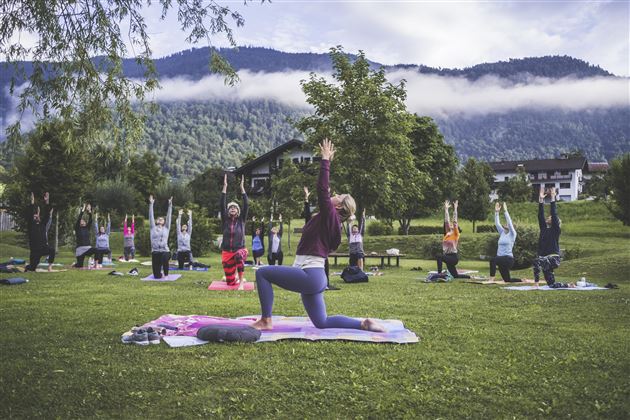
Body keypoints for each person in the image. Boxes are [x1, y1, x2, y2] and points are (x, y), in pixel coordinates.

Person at [252, 139, 383, 332]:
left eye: (338, 196)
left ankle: (266, 320)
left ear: (338, 206)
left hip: (310, 275)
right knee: (321, 322)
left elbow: (322, 189)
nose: (334, 194)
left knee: (262, 272)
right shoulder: (330, 222)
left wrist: (325, 160)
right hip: (315, 277)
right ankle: (363, 323)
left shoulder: (331, 217)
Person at [533, 186, 574, 288]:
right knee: (551, 285)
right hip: (544, 258)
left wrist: (552, 198)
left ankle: (536, 284)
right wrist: (541, 199)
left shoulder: (556, 229)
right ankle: (569, 285)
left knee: (537, 261)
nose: (548, 217)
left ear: (556, 222)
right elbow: (540, 216)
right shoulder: (543, 229)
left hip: (553, 258)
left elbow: (554, 213)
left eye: (550, 217)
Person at [304, 186, 337, 291]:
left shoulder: (323, 222)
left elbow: (326, 207)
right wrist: (306, 199)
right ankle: (320, 283)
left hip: (321, 246)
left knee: (325, 262)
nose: (315, 217)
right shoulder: (310, 223)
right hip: (311, 248)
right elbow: (307, 214)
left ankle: (326, 283)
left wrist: (327, 194)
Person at [220, 174, 249, 286]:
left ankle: (241, 281)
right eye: (231, 208)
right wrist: (225, 186)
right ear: (228, 211)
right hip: (227, 252)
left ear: (238, 211)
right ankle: (234, 278)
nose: (233, 209)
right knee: (230, 283)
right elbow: (222, 204)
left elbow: (246, 204)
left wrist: (242, 188)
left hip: (240, 250)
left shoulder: (241, 220)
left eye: (235, 208)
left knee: (238, 255)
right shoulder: (225, 220)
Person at [436, 200, 470, 279]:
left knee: (439, 256)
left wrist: (455, 209)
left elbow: (455, 221)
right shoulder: (447, 233)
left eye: (453, 225)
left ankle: (439, 274)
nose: (451, 225)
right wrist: (446, 210)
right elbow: (446, 221)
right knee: (455, 276)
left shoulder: (456, 234)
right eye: (450, 225)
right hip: (447, 257)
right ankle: (468, 277)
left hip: (453, 258)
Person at [488, 202, 522, 282]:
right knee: (507, 280)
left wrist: (505, 211)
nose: (506, 224)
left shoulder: (513, 234)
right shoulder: (502, 233)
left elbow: (509, 222)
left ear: (511, 227)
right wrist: (496, 212)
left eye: (508, 224)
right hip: (500, 259)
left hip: (508, 259)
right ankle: (521, 280)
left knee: (493, 260)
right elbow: (497, 224)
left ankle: (491, 279)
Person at [25, 192, 55, 272]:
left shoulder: (43, 224)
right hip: (35, 251)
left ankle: (50, 267)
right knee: (32, 268)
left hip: (43, 248)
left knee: (52, 250)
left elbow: (47, 215)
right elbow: (30, 215)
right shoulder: (31, 225)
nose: (36, 217)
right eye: (34, 216)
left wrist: (47, 201)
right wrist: (32, 202)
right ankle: (28, 266)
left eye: (37, 216)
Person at [149, 195, 173, 279]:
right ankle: (159, 274)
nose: (159, 220)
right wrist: (151, 204)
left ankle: (166, 274)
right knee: (156, 276)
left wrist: (170, 205)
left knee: (164, 257)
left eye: (161, 219)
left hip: (165, 251)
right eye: (158, 219)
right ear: (156, 221)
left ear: (164, 222)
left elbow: (169, 216)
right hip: (155, 252)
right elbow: (151, 216)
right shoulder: (152, 228)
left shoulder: (166, 228)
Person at [74, 203, 96, 268]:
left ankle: (96, 264)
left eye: (83, 221)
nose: (81, 221)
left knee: (97, 250)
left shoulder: (87, 228)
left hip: (88, 248)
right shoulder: (77, 228)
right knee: (79, 265)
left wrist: (89, 212)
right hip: (80, 249)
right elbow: (78, 219)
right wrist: (83, 210)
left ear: (85, 223)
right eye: (81, 221)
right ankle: (74, 264)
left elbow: (91, 220)